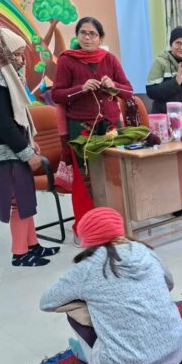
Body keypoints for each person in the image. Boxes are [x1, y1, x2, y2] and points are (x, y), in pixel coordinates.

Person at [39, 207, 182, 364]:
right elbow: (168, 284)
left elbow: (47, 302)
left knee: (75, 312)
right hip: (176, 354)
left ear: (87, 238)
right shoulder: (145, 251)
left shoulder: (86, 267)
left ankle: (88, 354)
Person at [0, 26, 59, 267]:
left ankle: (33, 245)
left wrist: (30, 142)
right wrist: (26, 153)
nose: (21, 60)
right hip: (6, 154)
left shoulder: (5, 77)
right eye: (17, 55)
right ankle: (20, 253)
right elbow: (3, 125)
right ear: (0, 53)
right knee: (18, 203)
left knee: (25, 200)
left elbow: (19, 116)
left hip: (17, 149)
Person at [52, 17, 134, 236]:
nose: (87, 38)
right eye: (83, 33)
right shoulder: (67, 60)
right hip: (81, 129)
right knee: (86, 179)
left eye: (92, 34)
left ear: (101, 38)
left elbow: (128, 91)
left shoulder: (110, 59)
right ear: (77, 35)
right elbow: (56, 94)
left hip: (110, 127)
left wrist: (113, 85)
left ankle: (114, 225)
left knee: (113, 176)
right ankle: (88, 229)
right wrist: (81, 88)